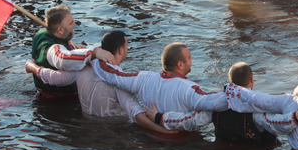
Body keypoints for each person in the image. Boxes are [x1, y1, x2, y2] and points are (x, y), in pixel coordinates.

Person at [24, 30, 174, 134]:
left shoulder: (82, 68)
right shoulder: (120, 80)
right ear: (121, 50)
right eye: (127, 45)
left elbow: (53, 78)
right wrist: (165, 131)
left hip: (87, 125)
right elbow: (137, 115)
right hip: (116, 130)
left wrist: (32, 67)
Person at [90, 42, 232, 132]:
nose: (192, 59)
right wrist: (230, 91)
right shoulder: (189, 89)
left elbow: (114, 76)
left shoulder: (144, 79)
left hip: (149, 139)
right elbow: (212, 103)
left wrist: (95, 55)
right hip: (180, 146)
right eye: (189, 57)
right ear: (180, 64)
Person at [27, 4, 85, 95]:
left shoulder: (43, 33)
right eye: (71, 23)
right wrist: (92, 53)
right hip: (62, 101)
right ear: (60, 30)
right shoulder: (52, 50)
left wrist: (78, 51)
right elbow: (63, 61)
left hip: (42, 92)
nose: (74, 24)